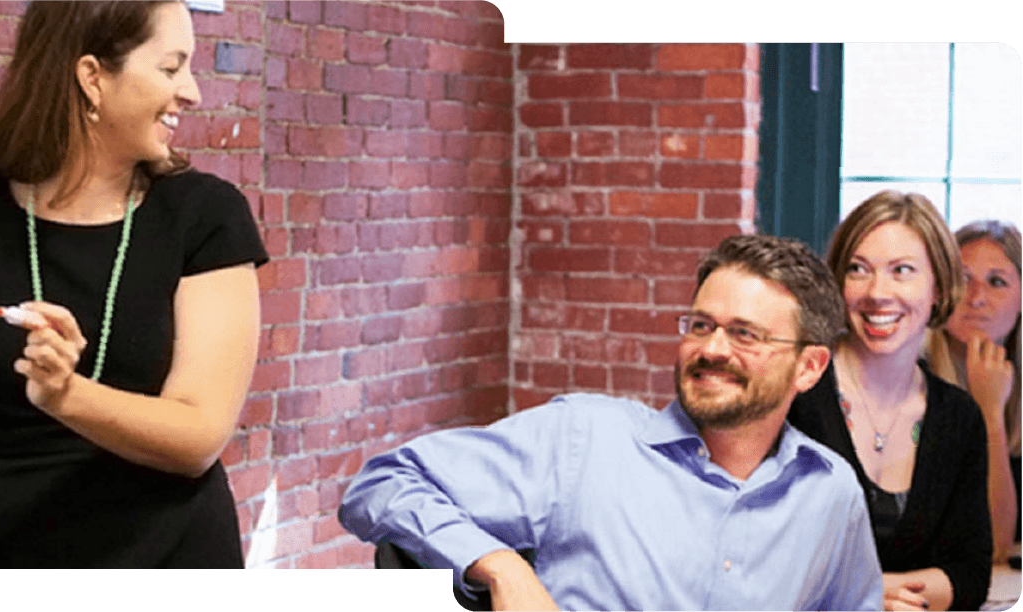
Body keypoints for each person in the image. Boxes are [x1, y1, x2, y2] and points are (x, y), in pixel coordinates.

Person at [338, 235, 884, 612]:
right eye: (700, 325)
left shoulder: (829, 491)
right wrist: (502, 567)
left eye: (745, 334)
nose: (712, 349)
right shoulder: (586, 438)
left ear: (809, 367)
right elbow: (383, 484)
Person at [0, 0, 267, 568]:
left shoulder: (205, 216)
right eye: (171, 67)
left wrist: (67, 394)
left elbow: (199, 435)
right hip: (4, 562)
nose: (191, 92)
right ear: (92, 76)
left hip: (173, 565)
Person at [788, 191, 993, 611]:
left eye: (902, 271)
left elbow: (970, 575)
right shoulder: (795, 390)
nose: (877, 292)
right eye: (858, 270)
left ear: (939, 287)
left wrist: (876, 588)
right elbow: (749, 549)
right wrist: (862, 592)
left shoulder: (959, 418)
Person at [926, 220, 1022, 561]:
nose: (977, 298)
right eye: (964, 279)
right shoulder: (909, 377)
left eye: (997, 282)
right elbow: (992, 545)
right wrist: (989, 413)